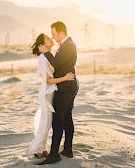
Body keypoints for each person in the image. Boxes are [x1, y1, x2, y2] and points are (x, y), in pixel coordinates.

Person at [37, 21, 79, 165]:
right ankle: (67, 149)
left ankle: (54, 153)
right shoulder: (67, 44)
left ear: (61, 33)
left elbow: (56, 63)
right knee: (67, 118)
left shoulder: (68, 46)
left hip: (66, 87)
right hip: (68, 86)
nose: (53, 37)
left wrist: (46, 52)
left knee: (58, 120)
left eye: (54, 34)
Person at [29, 33, 75, 159]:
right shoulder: (43, 58)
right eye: (48, 39)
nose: (51, 39)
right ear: (42, 45)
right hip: (47, 93)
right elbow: (48, 80)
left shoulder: (48, 56)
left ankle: (43, 149)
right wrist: (65, 78)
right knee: (45, 123)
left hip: (51, 92)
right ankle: (37, 149)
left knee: (47, 123)